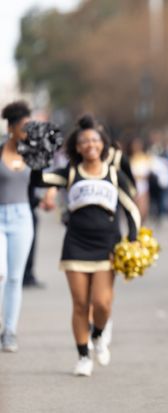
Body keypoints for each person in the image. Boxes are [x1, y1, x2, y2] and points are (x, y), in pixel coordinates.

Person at [31, 115, 140, 376]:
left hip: (107, 246)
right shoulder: (69, 172)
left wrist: (133, 239)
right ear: (77, 147)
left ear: (102, 144)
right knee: (80, 304)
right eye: (84, 141)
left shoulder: (114, 174)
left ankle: (99, 333)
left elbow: (132, 208)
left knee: (101, 303)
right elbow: (39, 181)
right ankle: (82, 356)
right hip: (76, 245)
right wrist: (37, 159)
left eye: (94, 140)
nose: (90, 144)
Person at [0, 101, 35, 352]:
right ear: (11, 127)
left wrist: (48, 196)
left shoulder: (33, 153)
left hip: (22, 217)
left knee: (14, 277)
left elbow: (45, 179)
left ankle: (9, 331)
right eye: (24, 126)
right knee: (0, 273)